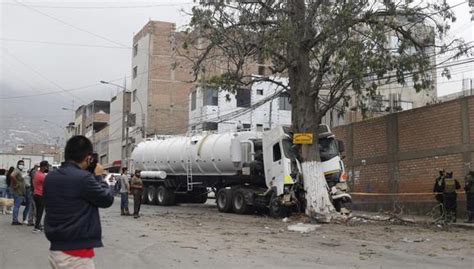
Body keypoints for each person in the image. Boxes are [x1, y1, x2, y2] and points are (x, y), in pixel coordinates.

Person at [43, 135, 114, 269]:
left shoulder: (51, 177)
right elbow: (106, 200)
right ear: (88, 158)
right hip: (76, 255)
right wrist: (99, 177)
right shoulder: (83, 179)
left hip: (56, 249)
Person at [10, 160, 30, 225]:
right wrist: (16, 183)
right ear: (18, 164)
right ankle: (15, 220)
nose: (22, 165)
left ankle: (15, 219)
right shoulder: (17, 170)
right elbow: (12, 176)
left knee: (17, 206)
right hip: (18, 192)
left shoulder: (19, 171)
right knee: (17, 206)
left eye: (23, 164)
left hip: (19, 191)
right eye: (21, 164)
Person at [32, 161, 48, 232]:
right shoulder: (42, 175)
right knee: (40, 212)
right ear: (43, 166)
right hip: (40, 195)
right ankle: (36, 227)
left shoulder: (36, 173)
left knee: (38, 211)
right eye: (46, 166)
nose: (47, 168)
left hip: (36, 194)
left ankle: (38, 225)